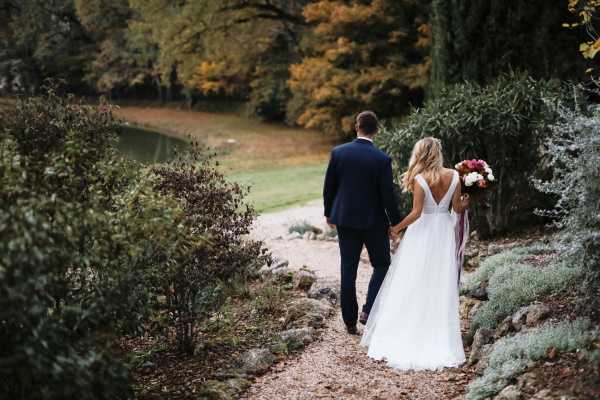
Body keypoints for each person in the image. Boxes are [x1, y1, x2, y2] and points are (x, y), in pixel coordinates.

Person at [360, 136, 470, 370]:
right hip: (443, 233)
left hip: (423, 233)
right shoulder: (454, 176)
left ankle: (410, 328)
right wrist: (467, 201)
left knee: (413, 279)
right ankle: (438, 332)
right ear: (438, 153)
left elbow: (417, 213)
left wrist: (396, 228)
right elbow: (458, 208)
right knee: (439, 280)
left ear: (420, 154)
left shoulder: (420, 179)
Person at [323, 111, 401, 335]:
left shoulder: (338, 153)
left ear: (357, 127)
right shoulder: (382, 159)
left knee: (348, 269)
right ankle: (368, 310)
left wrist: (329, 213)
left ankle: (349, 321)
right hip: (374, 223)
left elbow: (330, 187)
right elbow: (388, 195)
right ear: (376, 130)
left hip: (345, 221)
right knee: (382, 264)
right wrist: (396, 223)